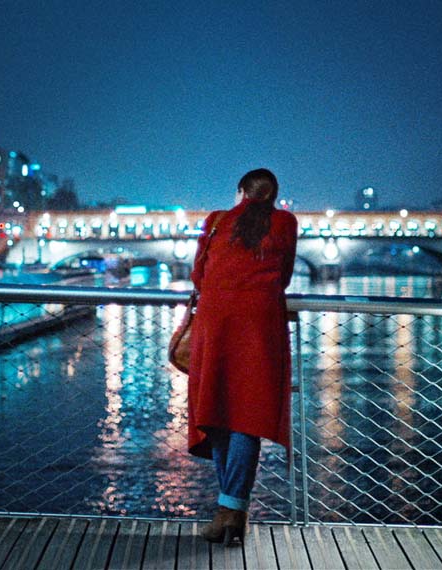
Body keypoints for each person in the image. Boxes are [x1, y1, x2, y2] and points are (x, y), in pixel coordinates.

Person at [187, 168, 298, 545]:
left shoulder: (217, 221)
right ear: (273, 197)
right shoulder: (285, 223)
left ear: (240, 192)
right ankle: (231, 510)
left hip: (216, 325)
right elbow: (284, 277)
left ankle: (229, 510)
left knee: (216, 411)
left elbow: (198, 276)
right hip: (259, 328)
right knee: (247, 416)